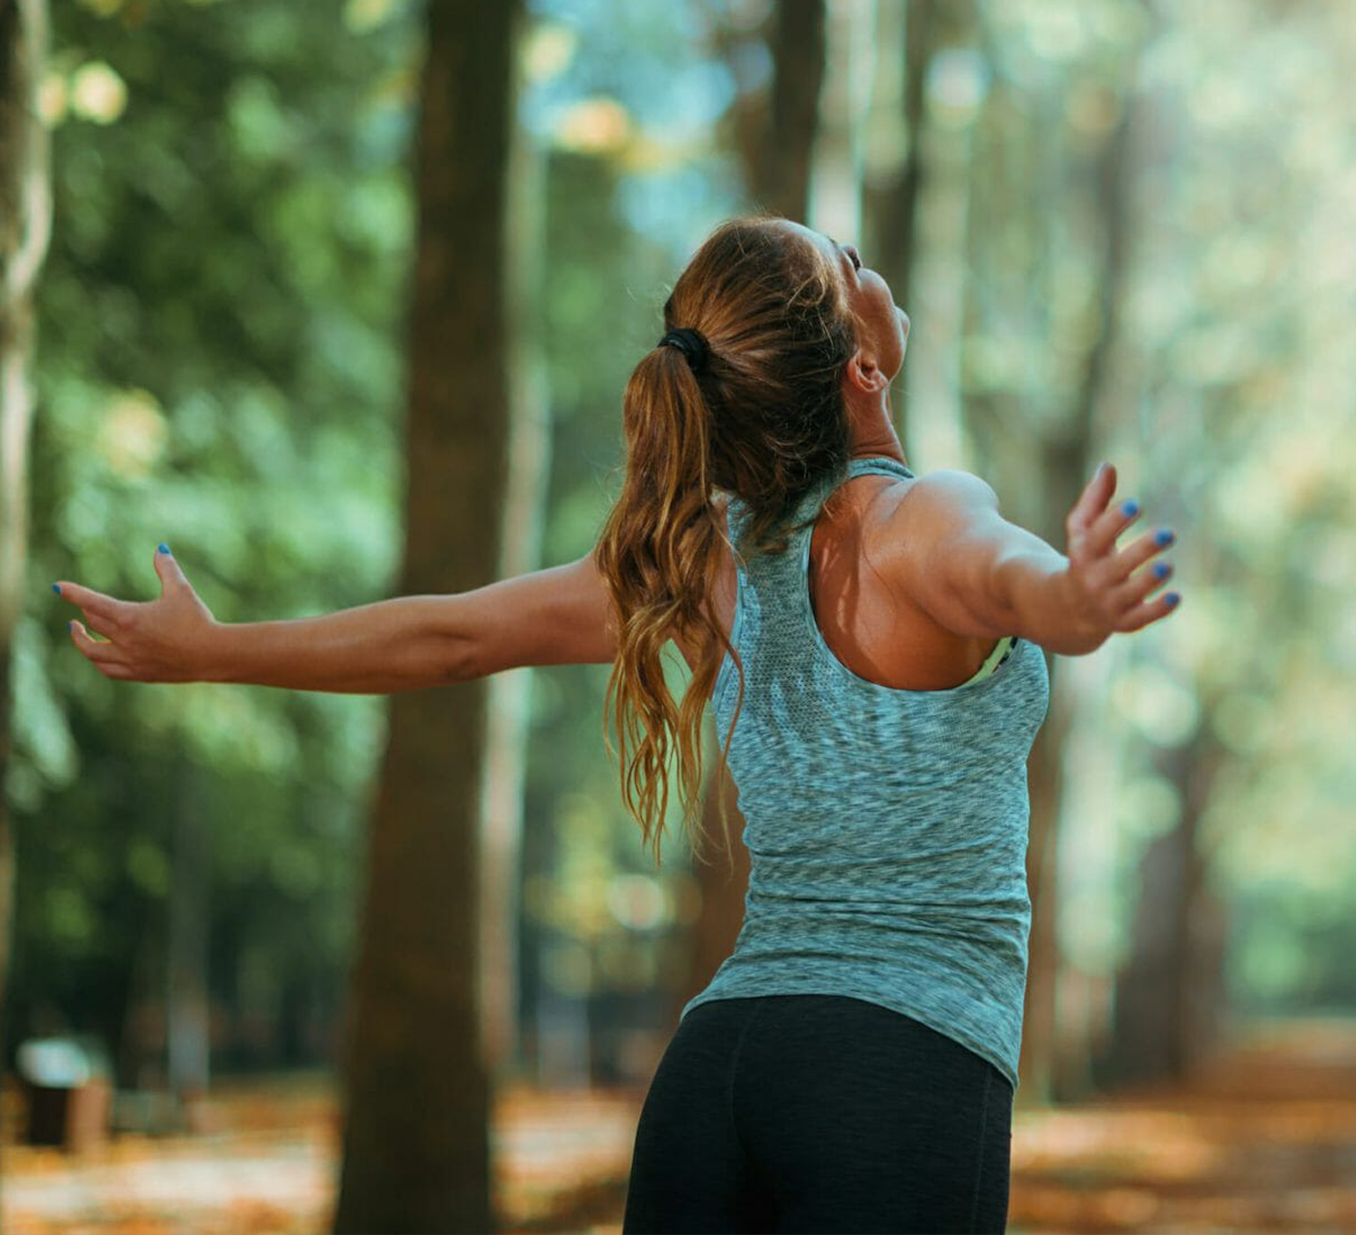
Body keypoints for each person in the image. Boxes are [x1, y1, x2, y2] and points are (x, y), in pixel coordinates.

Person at [55, 210, 1182, 1233]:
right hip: (896, 1065)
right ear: (863, 360)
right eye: (849, 263)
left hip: (715, 1074)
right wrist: (1073, 601)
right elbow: (1014, 582)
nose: (867, 259)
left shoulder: (703, 561)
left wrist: (215, 650)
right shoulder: (926, 516)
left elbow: (453, 637)